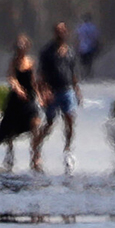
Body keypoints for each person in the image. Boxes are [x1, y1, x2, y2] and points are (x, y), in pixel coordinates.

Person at [31, 22, 83, 175]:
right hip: (52, 91)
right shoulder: (47, 52)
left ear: (66, 32)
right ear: (54, 33)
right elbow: (41, 75)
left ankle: (67, 149)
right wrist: (44, 92)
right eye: (58, 31)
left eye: (63, 31)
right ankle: (36, 150)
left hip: (67, 90)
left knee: (70, 118)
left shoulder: (70, 52)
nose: (61, 33)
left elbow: (73, 74)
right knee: (49, 123)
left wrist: (77, 91)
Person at [0, 34, 42, 172]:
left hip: (29, 98)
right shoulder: (13, 62)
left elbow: (33, 80)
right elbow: (11, 78)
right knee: (11, 129)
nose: (21, 48)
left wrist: (40, 96)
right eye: (19, 46)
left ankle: (35, 154)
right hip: (16, 99)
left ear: (27, 47)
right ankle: (10, 151)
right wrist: (18, 89)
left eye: (23, 45)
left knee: (35, 124)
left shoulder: (31, 61)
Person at [76, 13, 101, 79]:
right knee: (90, 61)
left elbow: (77, 37)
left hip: (82, 47)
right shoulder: (93, 27)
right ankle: (88, 73)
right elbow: (96, 37)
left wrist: (76, 45)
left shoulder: (81, 27)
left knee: (83, 62)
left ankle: (83, 73)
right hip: (91, 47)